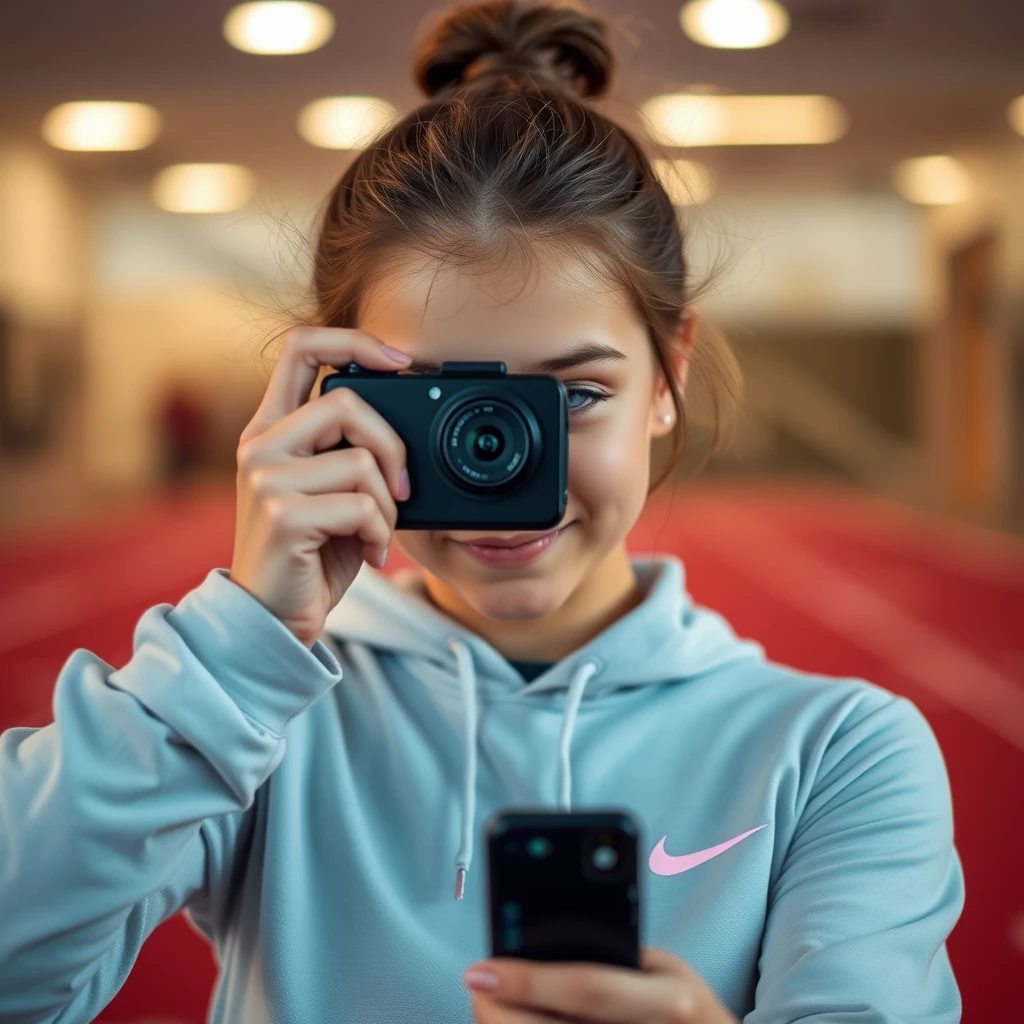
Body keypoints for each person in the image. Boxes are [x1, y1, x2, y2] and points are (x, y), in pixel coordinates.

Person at [0, 2, 964, 1022]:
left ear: (668, 376)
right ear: (333, 391)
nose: (508, 470)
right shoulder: (250, 722)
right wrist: (239, 648)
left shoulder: (836, 754)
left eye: (574, 396)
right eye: (446, 408)